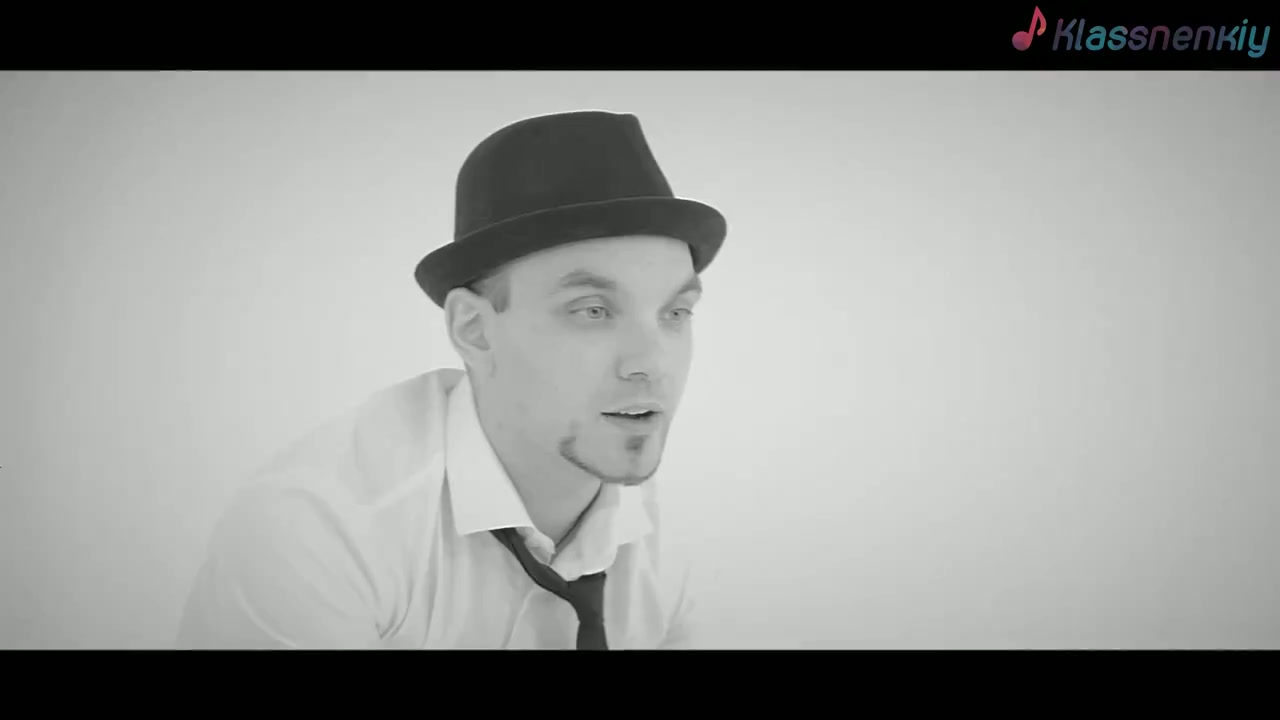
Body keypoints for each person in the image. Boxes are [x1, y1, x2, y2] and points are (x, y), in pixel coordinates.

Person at [174, 109, 729, 650]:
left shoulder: (674, 538)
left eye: (675, 313)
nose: (651, 362)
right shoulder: (321, 529)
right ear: (475, 331)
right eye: (592, 311)